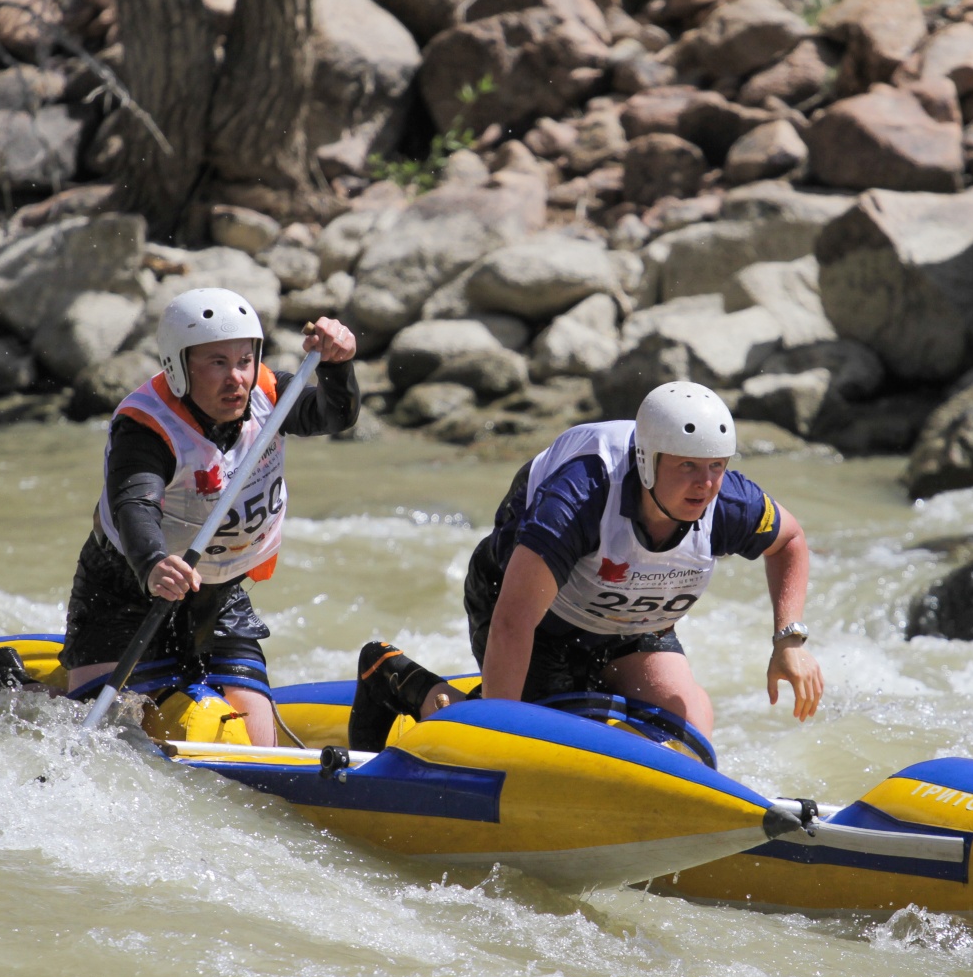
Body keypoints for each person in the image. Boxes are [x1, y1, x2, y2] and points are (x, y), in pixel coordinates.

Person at [350, 382, 823, 750]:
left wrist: (789, 640)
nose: (706, 485)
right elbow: (513, 622)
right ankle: (396, 678)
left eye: (717, 466)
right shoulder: (580, 499)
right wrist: (497, 739)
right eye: (687, 468)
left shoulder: (731, 502)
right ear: (647, 463)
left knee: (693, 729)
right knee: (533, 736)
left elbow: (790, 540)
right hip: (531, 612)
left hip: (630, 619)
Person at [58, 287, 357, 745]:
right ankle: (22, 686)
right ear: (178, 366)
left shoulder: (270, 396)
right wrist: (154, 564)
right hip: (126, 593)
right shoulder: (145, 426)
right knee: (115, 742)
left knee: (257, 738)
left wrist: (337, 365)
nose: (236, 378)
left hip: (217, 594)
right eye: (216, 362)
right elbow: (134, 505)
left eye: (243, 359)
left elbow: (334, 415)